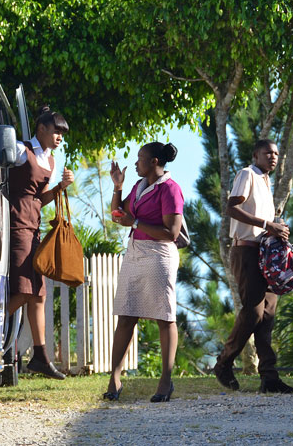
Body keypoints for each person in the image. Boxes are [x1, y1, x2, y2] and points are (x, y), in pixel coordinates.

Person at [213, 139, 293, 394]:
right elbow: (231, 208)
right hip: (246, 251)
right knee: (253, 312)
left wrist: (279, 229)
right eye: (268, 153)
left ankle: (269, 377)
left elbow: (266, 222)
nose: (273, 157)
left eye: (276, 153)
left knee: (268, 315)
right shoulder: (247, 174)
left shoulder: (265, 181)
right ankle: (224, 363)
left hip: (265, 253)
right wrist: (267, 224)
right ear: (255, 155)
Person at [104, 142, 183, 402]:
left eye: (140, 158)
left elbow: (171, 233)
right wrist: (118, 187)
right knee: (126, 315)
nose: (136, 162)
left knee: (164, 317)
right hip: (135, 252)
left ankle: (165, 381)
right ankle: (114, 379)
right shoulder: (138, 187)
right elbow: (118, 215)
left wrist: (135, 222)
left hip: (159, 255)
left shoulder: (171, 189)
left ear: (154, 162)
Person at [7, 106, 74, 380]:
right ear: (42, 129)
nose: (59, 137)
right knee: (24, 291)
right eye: (56, 131)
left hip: (33, 227)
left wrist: (60, 187)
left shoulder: (51, 160)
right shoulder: (22, 151)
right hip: (15, 224)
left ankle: (41, 356)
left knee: (39, 293)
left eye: (62, 134)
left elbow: (41, 197)